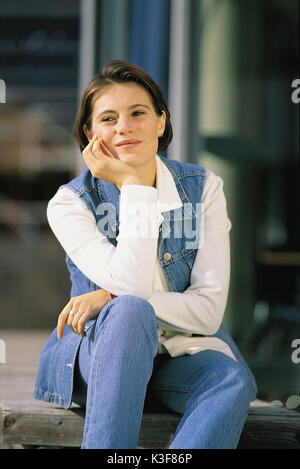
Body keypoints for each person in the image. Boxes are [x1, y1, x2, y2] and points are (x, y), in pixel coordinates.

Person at [34, 59, 257, 449]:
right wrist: (134, 186)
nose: (124, 126)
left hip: (178, 357)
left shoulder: (203, 190)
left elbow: (207, 312)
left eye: (138, 112)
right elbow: (133, 292)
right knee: (130, 311)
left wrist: (108, 295)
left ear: (160, 122)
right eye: (108, 118)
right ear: (89, 133)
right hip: (100, 360)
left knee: (230, 377)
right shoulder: (71, 203)